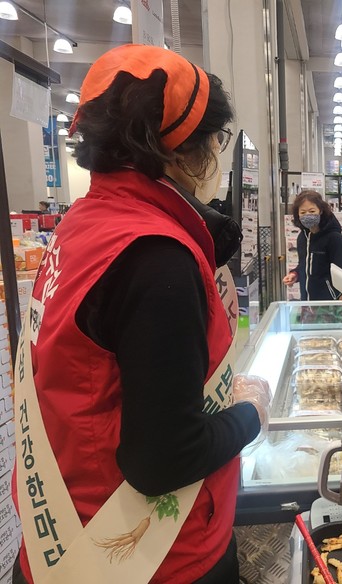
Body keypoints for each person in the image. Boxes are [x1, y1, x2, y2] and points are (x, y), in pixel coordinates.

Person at [11, 45, 267, 584]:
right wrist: (251, 415)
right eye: (215, 141)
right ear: (182, 150)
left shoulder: (82, 226)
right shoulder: (156, 258)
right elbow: (162, 460)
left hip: (61, 536)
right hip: (149, 556)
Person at [282, 190, 342, 300]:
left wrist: (339, 297)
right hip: (307, 302)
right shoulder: (302, 238)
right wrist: (295, 274)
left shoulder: (335, 239)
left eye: (312, 211)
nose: (307, 215)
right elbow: (305, 265)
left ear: (321, 210)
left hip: (330, 304)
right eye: (303, 212)